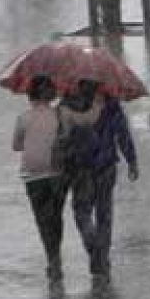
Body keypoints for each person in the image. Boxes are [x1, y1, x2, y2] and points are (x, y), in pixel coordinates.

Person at [59, 79, 138, 278]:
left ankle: (94, 247)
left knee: (82, 212)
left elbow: (61, 138)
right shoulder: (111, 105)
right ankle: (101, 256)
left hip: (81, 168)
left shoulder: (68, 105)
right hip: (106, 166)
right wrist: (132, 160)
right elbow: (122, 134)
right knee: (104, 215)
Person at [13, 75, 67, 280]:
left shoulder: (23, 118)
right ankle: (56, 256)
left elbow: (16, 146)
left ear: (30, 95)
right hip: (57, 173)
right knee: (56, 217)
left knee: (42, 219)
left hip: (33, 176)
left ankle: (52, 259)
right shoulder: (59, 115)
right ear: (52, 94)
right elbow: (66, 139)